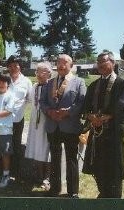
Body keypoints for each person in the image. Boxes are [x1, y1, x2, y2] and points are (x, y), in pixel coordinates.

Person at [82, 51, 124, 198]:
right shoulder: (94, 85)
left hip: (112, 135)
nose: (101, 65)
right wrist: (91, 117)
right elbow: (85, 108)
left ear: (113, 63)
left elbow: (123, 108)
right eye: (98, 62)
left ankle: (114, 198)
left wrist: (105, 118)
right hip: (97, 134)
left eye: (104, 61)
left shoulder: (120, 85)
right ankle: (103, 193)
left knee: (113, 170)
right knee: (98, 167)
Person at [40, 54, 86, 198]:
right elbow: (42, 102)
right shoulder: (49, 83)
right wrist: (49, 111)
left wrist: (68, 112)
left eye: (65, 62)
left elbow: (81, 103)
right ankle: (55, 188)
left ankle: (73, 192)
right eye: (59, 62)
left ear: (71, 66)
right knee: (54, 157)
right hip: (53, 125)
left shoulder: (79, 82)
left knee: (71, 158)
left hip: (70, 126)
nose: (61, 65)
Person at [0, 55, 32, 181]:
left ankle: (14, 173)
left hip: (17, 120)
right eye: (11, 66)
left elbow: (29, 99)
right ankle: (0, 172)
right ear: (7, 67)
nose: (13, 68)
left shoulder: (27, 82)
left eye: (16, 65)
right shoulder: (4, 78)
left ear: (20, 67)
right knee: (1, 146)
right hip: (2, 119)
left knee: (16, 146)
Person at [25, 62, 52, 190]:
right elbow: (26, 99)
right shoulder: (34, 86)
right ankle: (39, 176)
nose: (38, 74)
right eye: (37, 71)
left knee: (46, 149)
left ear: (49, 74)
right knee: (37, 148)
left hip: (47, 123)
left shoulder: (52, 86)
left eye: (41, 72)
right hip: (35, 123)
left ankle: (47, 178)